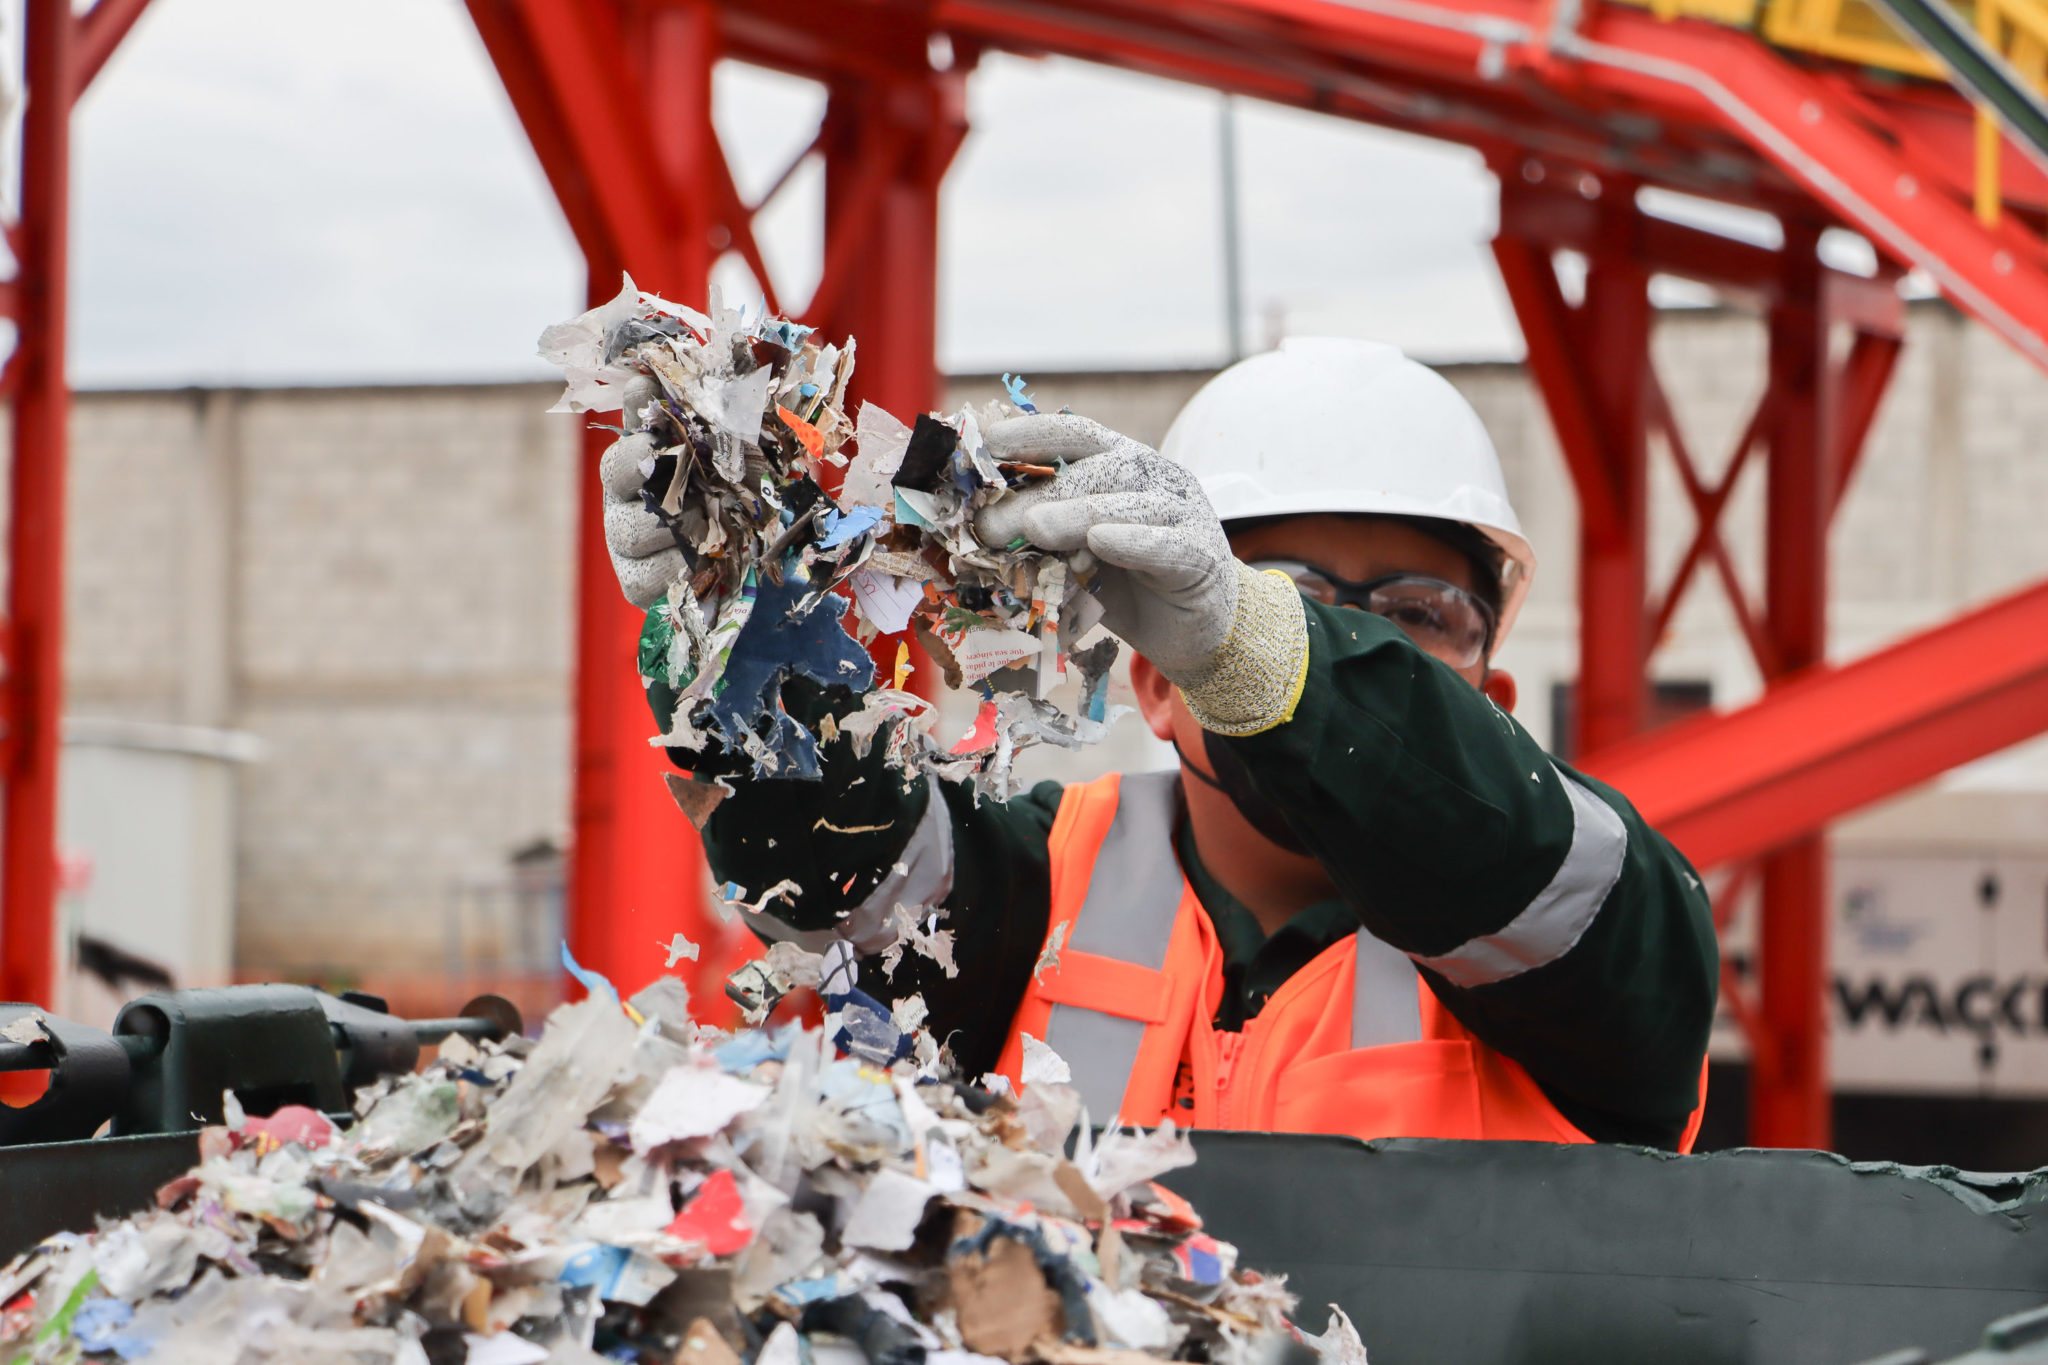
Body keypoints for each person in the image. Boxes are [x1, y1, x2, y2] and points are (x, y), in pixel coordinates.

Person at [604, 337, 1717, 1151]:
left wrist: (1266, 647)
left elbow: (1551, 880)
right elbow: (839, 865)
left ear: (1493, 695)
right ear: (1159, 684)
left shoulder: (1584, 945)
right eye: (1283, 598)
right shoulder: (1031, 889)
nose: (1350, 641)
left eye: (1418, 616)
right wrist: (735, 632)